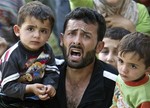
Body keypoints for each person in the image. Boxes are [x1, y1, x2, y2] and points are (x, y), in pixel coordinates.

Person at [51, 7, 118, 108]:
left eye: (86, 36)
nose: (77, 41)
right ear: (62, 39)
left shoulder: (114, 82)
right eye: (71, 34)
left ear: (99, 47)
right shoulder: (47, 68)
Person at [0, 1, 59, 108]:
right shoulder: (11, 56)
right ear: (17, 30)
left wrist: (50, 85)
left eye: (43, 31)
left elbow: (52, 71)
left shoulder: (46, 50)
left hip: (37, 97)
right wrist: (30, 88)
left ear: (49, 35)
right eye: (30, 29)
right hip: (10, 100)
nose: (37, 35)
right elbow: (7, 87)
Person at [111, 32, 150, 108]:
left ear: (148, 69)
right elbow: (117, 101)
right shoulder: (122, 77)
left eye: (133, 66)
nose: (123, 69)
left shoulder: (144, 97)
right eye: (121, 61)